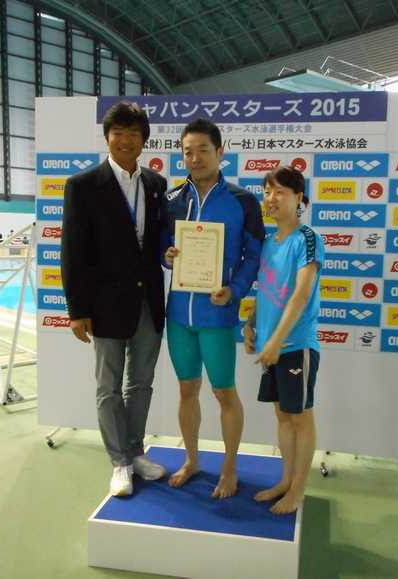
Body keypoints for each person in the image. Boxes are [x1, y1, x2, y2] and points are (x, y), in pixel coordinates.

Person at [61, 102, 168, 497]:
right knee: (108, 387)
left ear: (143, 140)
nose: (125, 140)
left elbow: (160, 241)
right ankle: (119, 462)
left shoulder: (156, 184)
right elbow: (72, 251)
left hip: (149, 302)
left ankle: (136, 452)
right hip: (104, 305)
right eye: (118, 133)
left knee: (141, 384)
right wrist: (77, 310)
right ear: (107, 137)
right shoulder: (83, 185)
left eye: (133, 134)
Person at [163, 118, 264, 499]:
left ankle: (230, 468)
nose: (195, 158)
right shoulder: (172, 200)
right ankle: (192, 460)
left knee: (224, 392)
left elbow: (254, 255)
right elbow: (161, 248)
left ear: (220, 152)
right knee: (186, 389)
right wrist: (165, 256)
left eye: (203, 150)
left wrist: (234, 290)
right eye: (188, 151)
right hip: (178, 315)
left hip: (217, 315)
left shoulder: (242, 201)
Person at [243, 166, 324, 515]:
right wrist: (251, 324)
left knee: (300, 416)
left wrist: (276, 340)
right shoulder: (268, 242)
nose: (271, 199)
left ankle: (298, 490)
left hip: (296, 345)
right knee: (283, 416)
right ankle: (286, 480)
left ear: (299, 198)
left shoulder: (308, 238)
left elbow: (300, 295)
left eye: (279, 192)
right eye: (267, 192)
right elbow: (267, 291)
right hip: (271, 346)